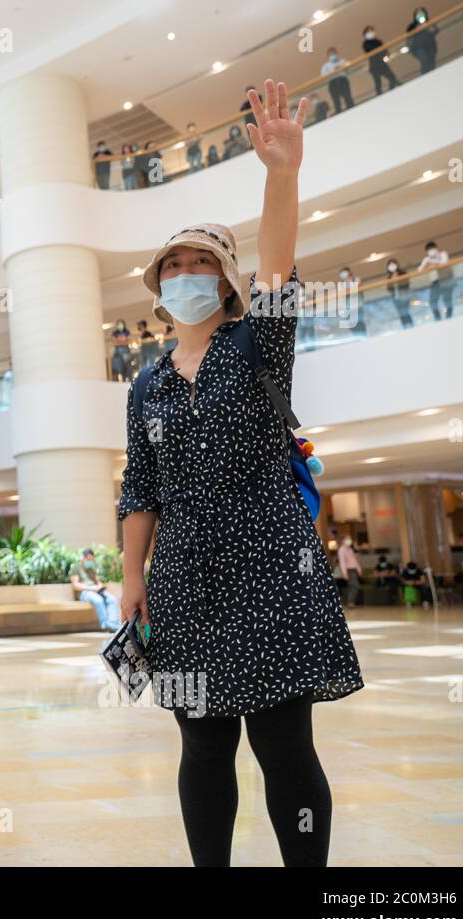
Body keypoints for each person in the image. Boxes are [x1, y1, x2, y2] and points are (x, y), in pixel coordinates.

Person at [119, 80, 362, 868]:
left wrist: (280, 173)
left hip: (271, 559)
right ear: (160, 286)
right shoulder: (147, 383)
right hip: (185, 573)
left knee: (285, 747)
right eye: (174, 264)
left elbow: (282, 267)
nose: (186, 272)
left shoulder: (259, 346)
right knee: (202, 747)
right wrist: (133, 577)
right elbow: (140, 486)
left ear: (225, 280)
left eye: (201, 262)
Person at [71, 548, 120, 632]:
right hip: (84, 592)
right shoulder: (76, 567)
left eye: (91, 560)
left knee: (113, 600)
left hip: (96, 591)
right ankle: (105, 624)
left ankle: (113, 624)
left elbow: (98, 581)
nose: (90, 561)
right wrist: (91, 588)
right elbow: (75, 585)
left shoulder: (92, 568)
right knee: (98, 600)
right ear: (83, 557)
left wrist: (100, 586)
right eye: (88, 559)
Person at [418, 240, 453, 320]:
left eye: (432, 248)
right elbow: (420, 269)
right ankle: (438, 318)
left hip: (446, 279)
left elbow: (444, 262)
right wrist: (430, 265)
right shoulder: (426, 259)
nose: (431, 250)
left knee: (447, 299)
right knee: (432, 301)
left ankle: (449, 317)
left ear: (436, 248)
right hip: (435, 282)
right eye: (429, 249)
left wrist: (432, 265)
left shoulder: (443, 254)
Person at [361, 26, 400, 97]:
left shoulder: (378, 41)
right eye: (369, 32)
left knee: (392, 78)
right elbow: (370, 50)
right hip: (374, 66)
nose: (371, 33)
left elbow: (385, 50)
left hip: (382, 64)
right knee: (378, 83)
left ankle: (391, 92)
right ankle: (380, 97)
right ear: (365, 34)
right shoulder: (365, 43)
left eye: (372, 31)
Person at [321, 47, 354, 114]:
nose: (332, 55)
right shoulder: (325, 66)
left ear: (337, 53)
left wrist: (341, 68)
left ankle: (351, 109)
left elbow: (349, 68)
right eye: (331, 54)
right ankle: (338, 112)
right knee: (336, 101)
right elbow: (324, 76)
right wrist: (334, 71)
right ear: (328, 56)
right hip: (332, 83)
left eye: (334, 53)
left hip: (343, 81)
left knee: (348, 97)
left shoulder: (343, 61)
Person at [406, 8, 438, 75]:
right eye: (418, 14)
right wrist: (409, 48)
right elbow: (409, 37)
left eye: (422, 14)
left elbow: (435, 30)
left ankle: (434, 75)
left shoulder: (429, 22)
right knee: (424, 60)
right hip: (418, 47)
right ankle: (424, 76)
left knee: (431, 60)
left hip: (430, 45)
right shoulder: (412, 26)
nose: (420, 15)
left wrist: (428, 26)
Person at [337, 266, 366, 337]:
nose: (344, 274)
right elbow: (343, 294)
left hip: (358, 306)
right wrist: (352, 289)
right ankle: (358, 339)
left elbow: (357, 287)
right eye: (342, 273)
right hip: (347, 309)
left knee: (359, 323)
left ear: (349, 272)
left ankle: (364, 338)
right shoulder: (340, 284)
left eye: (345, 272)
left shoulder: (356, 279)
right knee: (352, 326)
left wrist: (349, 290)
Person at [385, 258, 413, 328]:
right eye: (390, 265)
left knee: (405, 311)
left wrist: (398, 279)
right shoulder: (389, 277)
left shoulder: (403, 273)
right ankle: (405, 327)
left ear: (397, 264)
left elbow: (407, 284)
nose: (392, 266)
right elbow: (389, 289)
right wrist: (392, 280)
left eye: (393, 264)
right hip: (396, 298)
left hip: (404, 296)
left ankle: (410, 326)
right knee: (400, 313)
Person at [337, 536, 362, 608]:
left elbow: (354, 560)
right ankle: (350, 602)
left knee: (353, 586)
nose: (349, 541)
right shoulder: (341, 550)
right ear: (343, 540)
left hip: (354, 569)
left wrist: (359, 569)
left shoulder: (350, 549)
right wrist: (344, 573)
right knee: (354, 585)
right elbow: (342, 562)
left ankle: (351, 602)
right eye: (347, 539)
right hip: (349, 570)